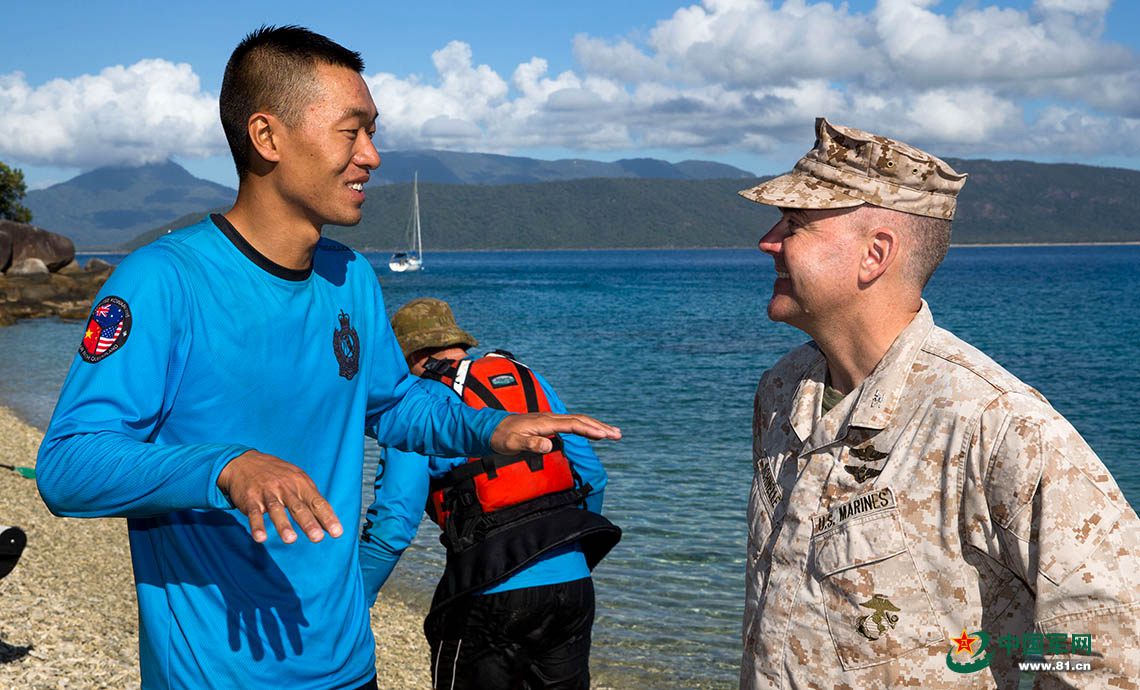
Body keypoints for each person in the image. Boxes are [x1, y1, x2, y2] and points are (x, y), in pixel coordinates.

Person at [34, 26, 619, 690]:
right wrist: (226, 466)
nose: (371, 156)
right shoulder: (163, 282)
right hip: (214, 675)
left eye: (374, 132)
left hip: (347, 666)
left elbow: (395, 406)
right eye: (352, 131)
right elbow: (68, 465)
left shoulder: (350, 277)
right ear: (267, 137)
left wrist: (487, 428)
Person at [737, 117, 1140, 688]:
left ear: (875, 254)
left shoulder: (996, 422)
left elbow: (1104, 648)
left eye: (795, 224)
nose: (767, 241)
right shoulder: (782, 390)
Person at [360, 297, 620, 690]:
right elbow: (592, 477)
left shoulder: (417, 406)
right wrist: (566, 561)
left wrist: (356, 601)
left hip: (491, 592)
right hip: (572, 585)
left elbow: (394, 522)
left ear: (408, 356)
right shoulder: (526, 379)